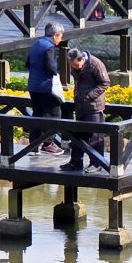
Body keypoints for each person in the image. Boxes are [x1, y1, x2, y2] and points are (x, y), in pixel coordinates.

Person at [64, 46, 110, 173]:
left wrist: (90, 96)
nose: (74, 67)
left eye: (75, 64)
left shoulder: (95, 65)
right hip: (80, 105)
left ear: (82, 59)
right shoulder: (74, 66)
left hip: (94, 106)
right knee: (78, 135)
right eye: (71, 65)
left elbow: (105, 82)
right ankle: (75, 162)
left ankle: (97, 163)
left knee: (96, 136)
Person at [27, 22, 65, 154]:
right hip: (46, 86)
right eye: (60, 36)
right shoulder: (49, 47)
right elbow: (51, 67)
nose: (61, 39)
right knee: (54, 114)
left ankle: (33, 143)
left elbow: (27, 63)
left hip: (33, 85)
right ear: (55, 35)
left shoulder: (35, 44)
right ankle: (48, 143)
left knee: (37, 113)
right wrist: (57, 72)